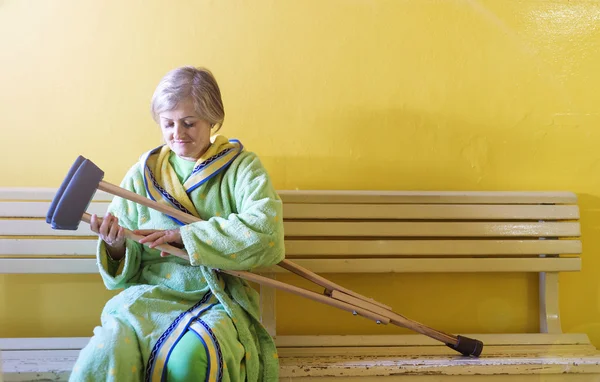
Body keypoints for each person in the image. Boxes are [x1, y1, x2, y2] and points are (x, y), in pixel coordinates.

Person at [70, 66, 285, 382]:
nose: (178, 133)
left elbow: (267, 231)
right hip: (151, 294)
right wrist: (115, 245)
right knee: (106, 349)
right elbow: (125, 253)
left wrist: (186, 236)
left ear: (212, 118)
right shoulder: (143, 173)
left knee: (190, 359)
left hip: (216, 295)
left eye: (189, 123)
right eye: (168, 124)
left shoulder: (242, 168)